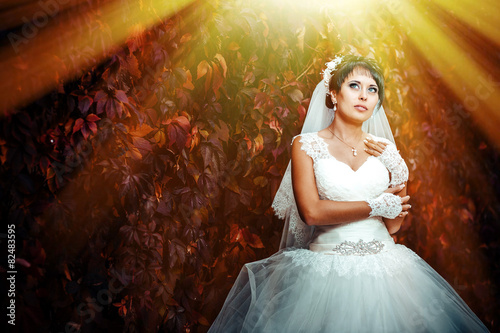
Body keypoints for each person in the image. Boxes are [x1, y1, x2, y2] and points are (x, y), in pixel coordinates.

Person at [208, 55, 490, 332]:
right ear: (333, 94)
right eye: (354, 86)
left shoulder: (384, 149)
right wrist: (374, 205)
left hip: (388, 270)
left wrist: (400, 173)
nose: (364, 96)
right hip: (325, 271)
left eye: (372, 90)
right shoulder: (305, 145)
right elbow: (311, 212)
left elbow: (393, 224)